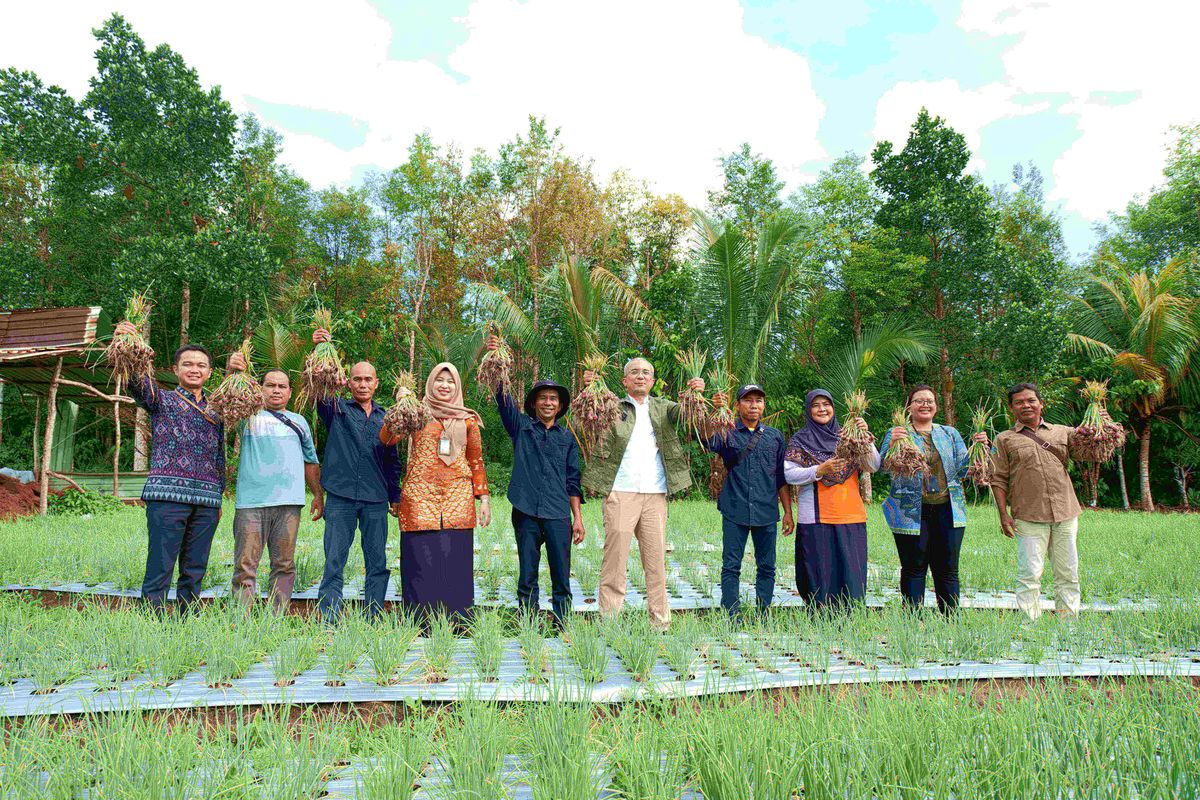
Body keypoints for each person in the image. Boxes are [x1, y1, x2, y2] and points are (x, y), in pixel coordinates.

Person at [581, 358, 702, 632]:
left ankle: (660, 622)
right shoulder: (612, 406)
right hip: (620, 491)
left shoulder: (664, 408)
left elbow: (689, 416)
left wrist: (696, 392)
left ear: (652, 380)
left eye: (646, 372)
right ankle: (609, 621)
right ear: (624, 381)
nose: (640, 376)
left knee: (655, 560)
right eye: (633, 372)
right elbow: (586, 417)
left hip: (655, 494)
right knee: (615, 559)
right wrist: (588, 387)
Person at [114, 322, 224, 615]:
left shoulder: (219, 408)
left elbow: (221, 453)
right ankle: (152, 617)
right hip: (167, 497)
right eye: (187, 364)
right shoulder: (162, 399)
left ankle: (189, 616)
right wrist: (129, 341)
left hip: (207, 500)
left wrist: (220, 495)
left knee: (196, 564)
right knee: (161, 562)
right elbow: (136, 383)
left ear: (209, 372)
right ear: (175, 369)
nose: (194, 369)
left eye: (201, 365)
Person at [381, 362, 489, 622]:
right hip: (420, 496)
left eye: (450, 381)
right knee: (421, 561)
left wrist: (483, 498)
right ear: (430, 383)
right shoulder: (417, 414)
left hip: (458, 497)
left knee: (455, 563)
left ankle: (457, 622)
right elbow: (387, 439)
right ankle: (420, 623)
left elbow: (476, 461)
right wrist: (400, 407)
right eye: (439, 380)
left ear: (457, 386)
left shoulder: (468, 420)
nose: (444, 385)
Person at [488, 338, 584, 625]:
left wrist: (577, 518)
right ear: (533, 403)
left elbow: (573, 480)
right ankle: (528, 624)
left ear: (560, 405)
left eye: (553, 398)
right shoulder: (521, 428)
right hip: (526, 510)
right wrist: (497, 359)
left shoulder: (567, 438)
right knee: (527, 571)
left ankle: (563, 623)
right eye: (542, 398)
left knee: (561, 573)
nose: (548, 402)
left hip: (557, 514)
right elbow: (503, 400)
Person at [312, 328, 402, 624]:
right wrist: (321, 349)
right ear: (348, 382)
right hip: (341, 497)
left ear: (376, 384)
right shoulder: (335, 409)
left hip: (376, 499)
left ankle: (374, 616)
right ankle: (329, 618)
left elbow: (392, 460)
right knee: (335, 560)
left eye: (368, 379)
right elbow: (319, 385)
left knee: (377, 561)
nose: (362, 384)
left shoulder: (388, 418)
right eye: (357, 379)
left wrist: (395, 496)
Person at [226, 357, 323, 613]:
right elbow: (226, 405)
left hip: (289, 504)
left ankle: (275, 618)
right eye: (270, 385)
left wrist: (317, 495)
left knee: (284, 564)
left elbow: (310, 462)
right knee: (246, 565)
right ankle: (241, 620)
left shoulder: (299, 422)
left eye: (282, 386)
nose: (276, 390)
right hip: (251, 504)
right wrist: (232, 372)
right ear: (261, 388)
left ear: (290, 392)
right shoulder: (246, 417)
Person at [878, 385, 984, 614]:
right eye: (919, 400)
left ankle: (951, 618)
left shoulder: (949, 433)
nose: (925, 404)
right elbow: (882, 468)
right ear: (909, 407)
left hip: (948, 508)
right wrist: (893, 444)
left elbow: (964, 470)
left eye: (929, 401)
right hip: (909, 510)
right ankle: (912, 618)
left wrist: (981, 449)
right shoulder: (898, 432)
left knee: (947, 568)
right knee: (913, 567)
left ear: (936, 406)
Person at [990, 382, 1086, 619]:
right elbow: (998, 479)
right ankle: (1029, 623)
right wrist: (1003, 514)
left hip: (1065, 512)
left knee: (1068, 573)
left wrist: (1099, 423)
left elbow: (1091, 452)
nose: (1026, 405)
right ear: (1012, 408)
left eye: (1031, 400)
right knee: (1030, 574)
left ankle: (1069, 622)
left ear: (1041, 404)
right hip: (1028, 515)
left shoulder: (1063, 432)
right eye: (1019, 402)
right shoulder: (1004, 439)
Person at [784, 389, 880, 610]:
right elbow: (789, 474)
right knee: (819, 569)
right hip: (816, 517)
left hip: (850, 514)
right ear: (809, 410)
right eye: (816, 405)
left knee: (850, 568)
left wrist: (866, 438)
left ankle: (851, 612)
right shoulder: (800, 440)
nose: (822, 409)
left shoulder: (848, 437)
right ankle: (819, 613)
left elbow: (873, 465)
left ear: (833, 409)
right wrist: (819, 469)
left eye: (826, 404)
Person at [705, 384, 792, 618]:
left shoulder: (774, 437)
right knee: (731, 566)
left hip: (766, 511)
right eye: (748, 400)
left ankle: (763, 614)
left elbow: (781, 477)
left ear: (763, 405)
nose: (754, 405)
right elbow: (705, 440)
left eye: (759, 401)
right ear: (738, 405)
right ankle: (731, 615)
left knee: (767, 566)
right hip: (735, 508)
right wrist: (715, 411)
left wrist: (788, 512)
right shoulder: (727, 432)